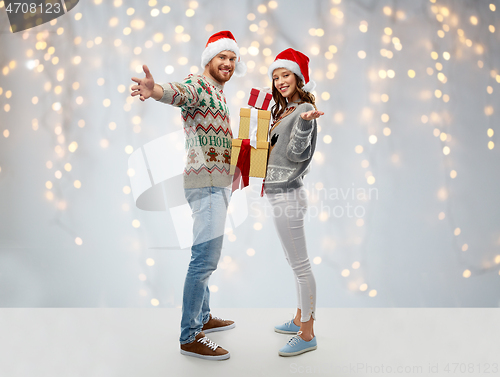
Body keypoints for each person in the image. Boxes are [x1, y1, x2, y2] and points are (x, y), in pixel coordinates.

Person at [130, 30, 246, 361]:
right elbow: (179, 93)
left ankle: (204, 317)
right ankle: (189, 334)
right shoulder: (199, 85)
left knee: (206, 256)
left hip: (218, 183)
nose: (228, 63)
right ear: (208, 59)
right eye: (222, 57)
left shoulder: (219, 95)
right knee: (204, 258)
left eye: (232, 58)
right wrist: (155, 91)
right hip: (206, 185)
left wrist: (235, 168)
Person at [263, 48, 324, 357]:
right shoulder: (283, 111)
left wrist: (304, 124)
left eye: (285, 75)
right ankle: (300, 317)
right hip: (277, 194)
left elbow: (299, 153)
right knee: (293, 262)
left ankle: (308, 333)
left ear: (298, 77)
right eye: (275, 77)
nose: (279, 81)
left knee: (301, 266)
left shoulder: (302, 112)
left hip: (288, 195)